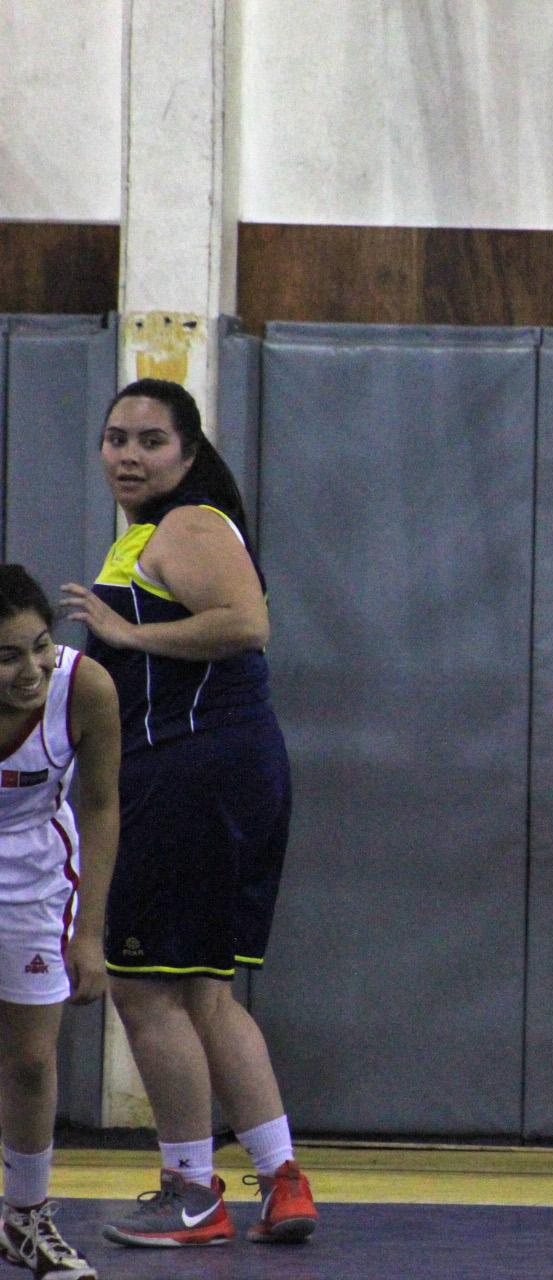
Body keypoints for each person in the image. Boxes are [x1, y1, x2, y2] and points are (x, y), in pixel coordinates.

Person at [59, 378, 316, 1248]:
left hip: (191, 776)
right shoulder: (154, 533)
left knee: (142, 986)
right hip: (220, 773)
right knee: (203, 990)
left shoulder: (188, 525)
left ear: (189, 452)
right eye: (116, 438)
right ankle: (283, 1179)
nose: (128, 455)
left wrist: (129, 637)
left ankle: (192, 1192)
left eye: (150, 441)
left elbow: (245, 624)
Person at [0, 567, 119, 1280]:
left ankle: (25, 1216)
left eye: (40, 645)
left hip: (35, 879)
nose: (31, 669)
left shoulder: (85, 688)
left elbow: (100, 805)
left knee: (30, 1060)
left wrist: (91, 934)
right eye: (7, 656)